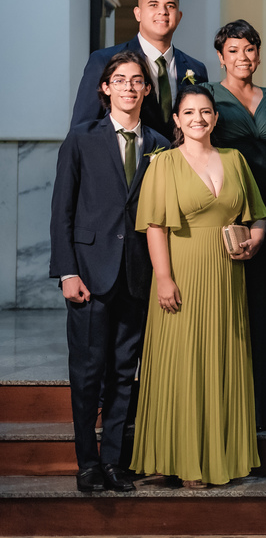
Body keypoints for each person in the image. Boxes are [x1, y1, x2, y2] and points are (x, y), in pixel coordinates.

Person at [133, 85, 266, 488]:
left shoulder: (235, 159)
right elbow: (154, 226)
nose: (198, 118)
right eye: (189, 112)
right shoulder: (164, 163)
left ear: (215, 118)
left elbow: (259, 215)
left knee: (220, 360)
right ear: (176, 120)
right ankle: (177, 459)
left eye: (205, 111)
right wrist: (164, 278)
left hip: (227, 277)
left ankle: (213, 457)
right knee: (181, 362)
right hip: (183, 274)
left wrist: (256, 241)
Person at [50, 51, 171, 493]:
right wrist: (66, 271)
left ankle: (115, 462)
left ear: (146, 90)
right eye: (120, 80)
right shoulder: (80, 140)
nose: (129, 87)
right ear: (105, 88)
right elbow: (61, 211)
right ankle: (87, 463)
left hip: (136, 276)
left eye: (137, 81)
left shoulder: (159, 145)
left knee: (124, 372)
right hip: (89, 275)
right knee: (86, 372)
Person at [201, 20, 266, 429]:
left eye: (250, 49)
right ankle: (231, 409)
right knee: (230, 313)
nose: (243, 57)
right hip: (229, 218)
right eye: (234, 50)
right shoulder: (207, 98)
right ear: (220, 56)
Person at [72, 0, 209, 136]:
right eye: (153, 5)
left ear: (179, 16)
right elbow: (81, 130)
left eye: (170, 6)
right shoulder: (104, 61)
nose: (163, 11)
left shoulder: (196, 69)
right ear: (138, 13)